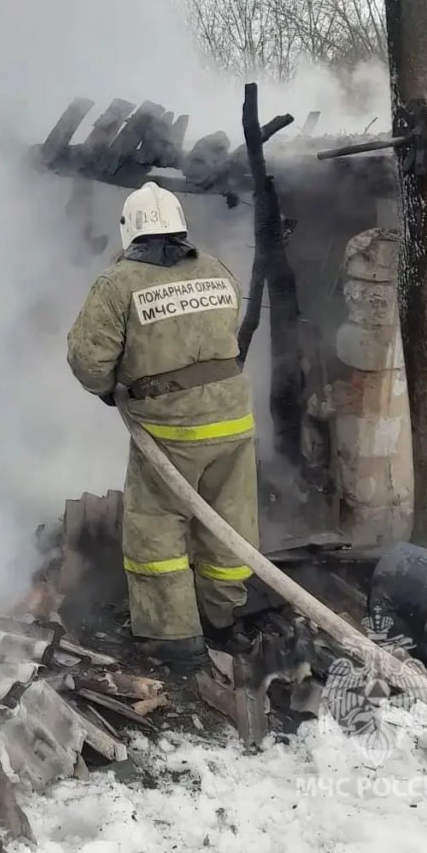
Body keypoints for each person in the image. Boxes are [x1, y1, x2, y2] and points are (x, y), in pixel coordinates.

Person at [66, 183, 258, 668]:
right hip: (234, 420)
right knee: (230, 522)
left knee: (157, 529)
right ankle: (223, 619)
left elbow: (89, 362)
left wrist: (113, 389)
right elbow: (227, 325)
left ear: (129, 231)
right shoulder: (216, 269)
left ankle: (173, 637)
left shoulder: (118, 283)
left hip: (172, 432)